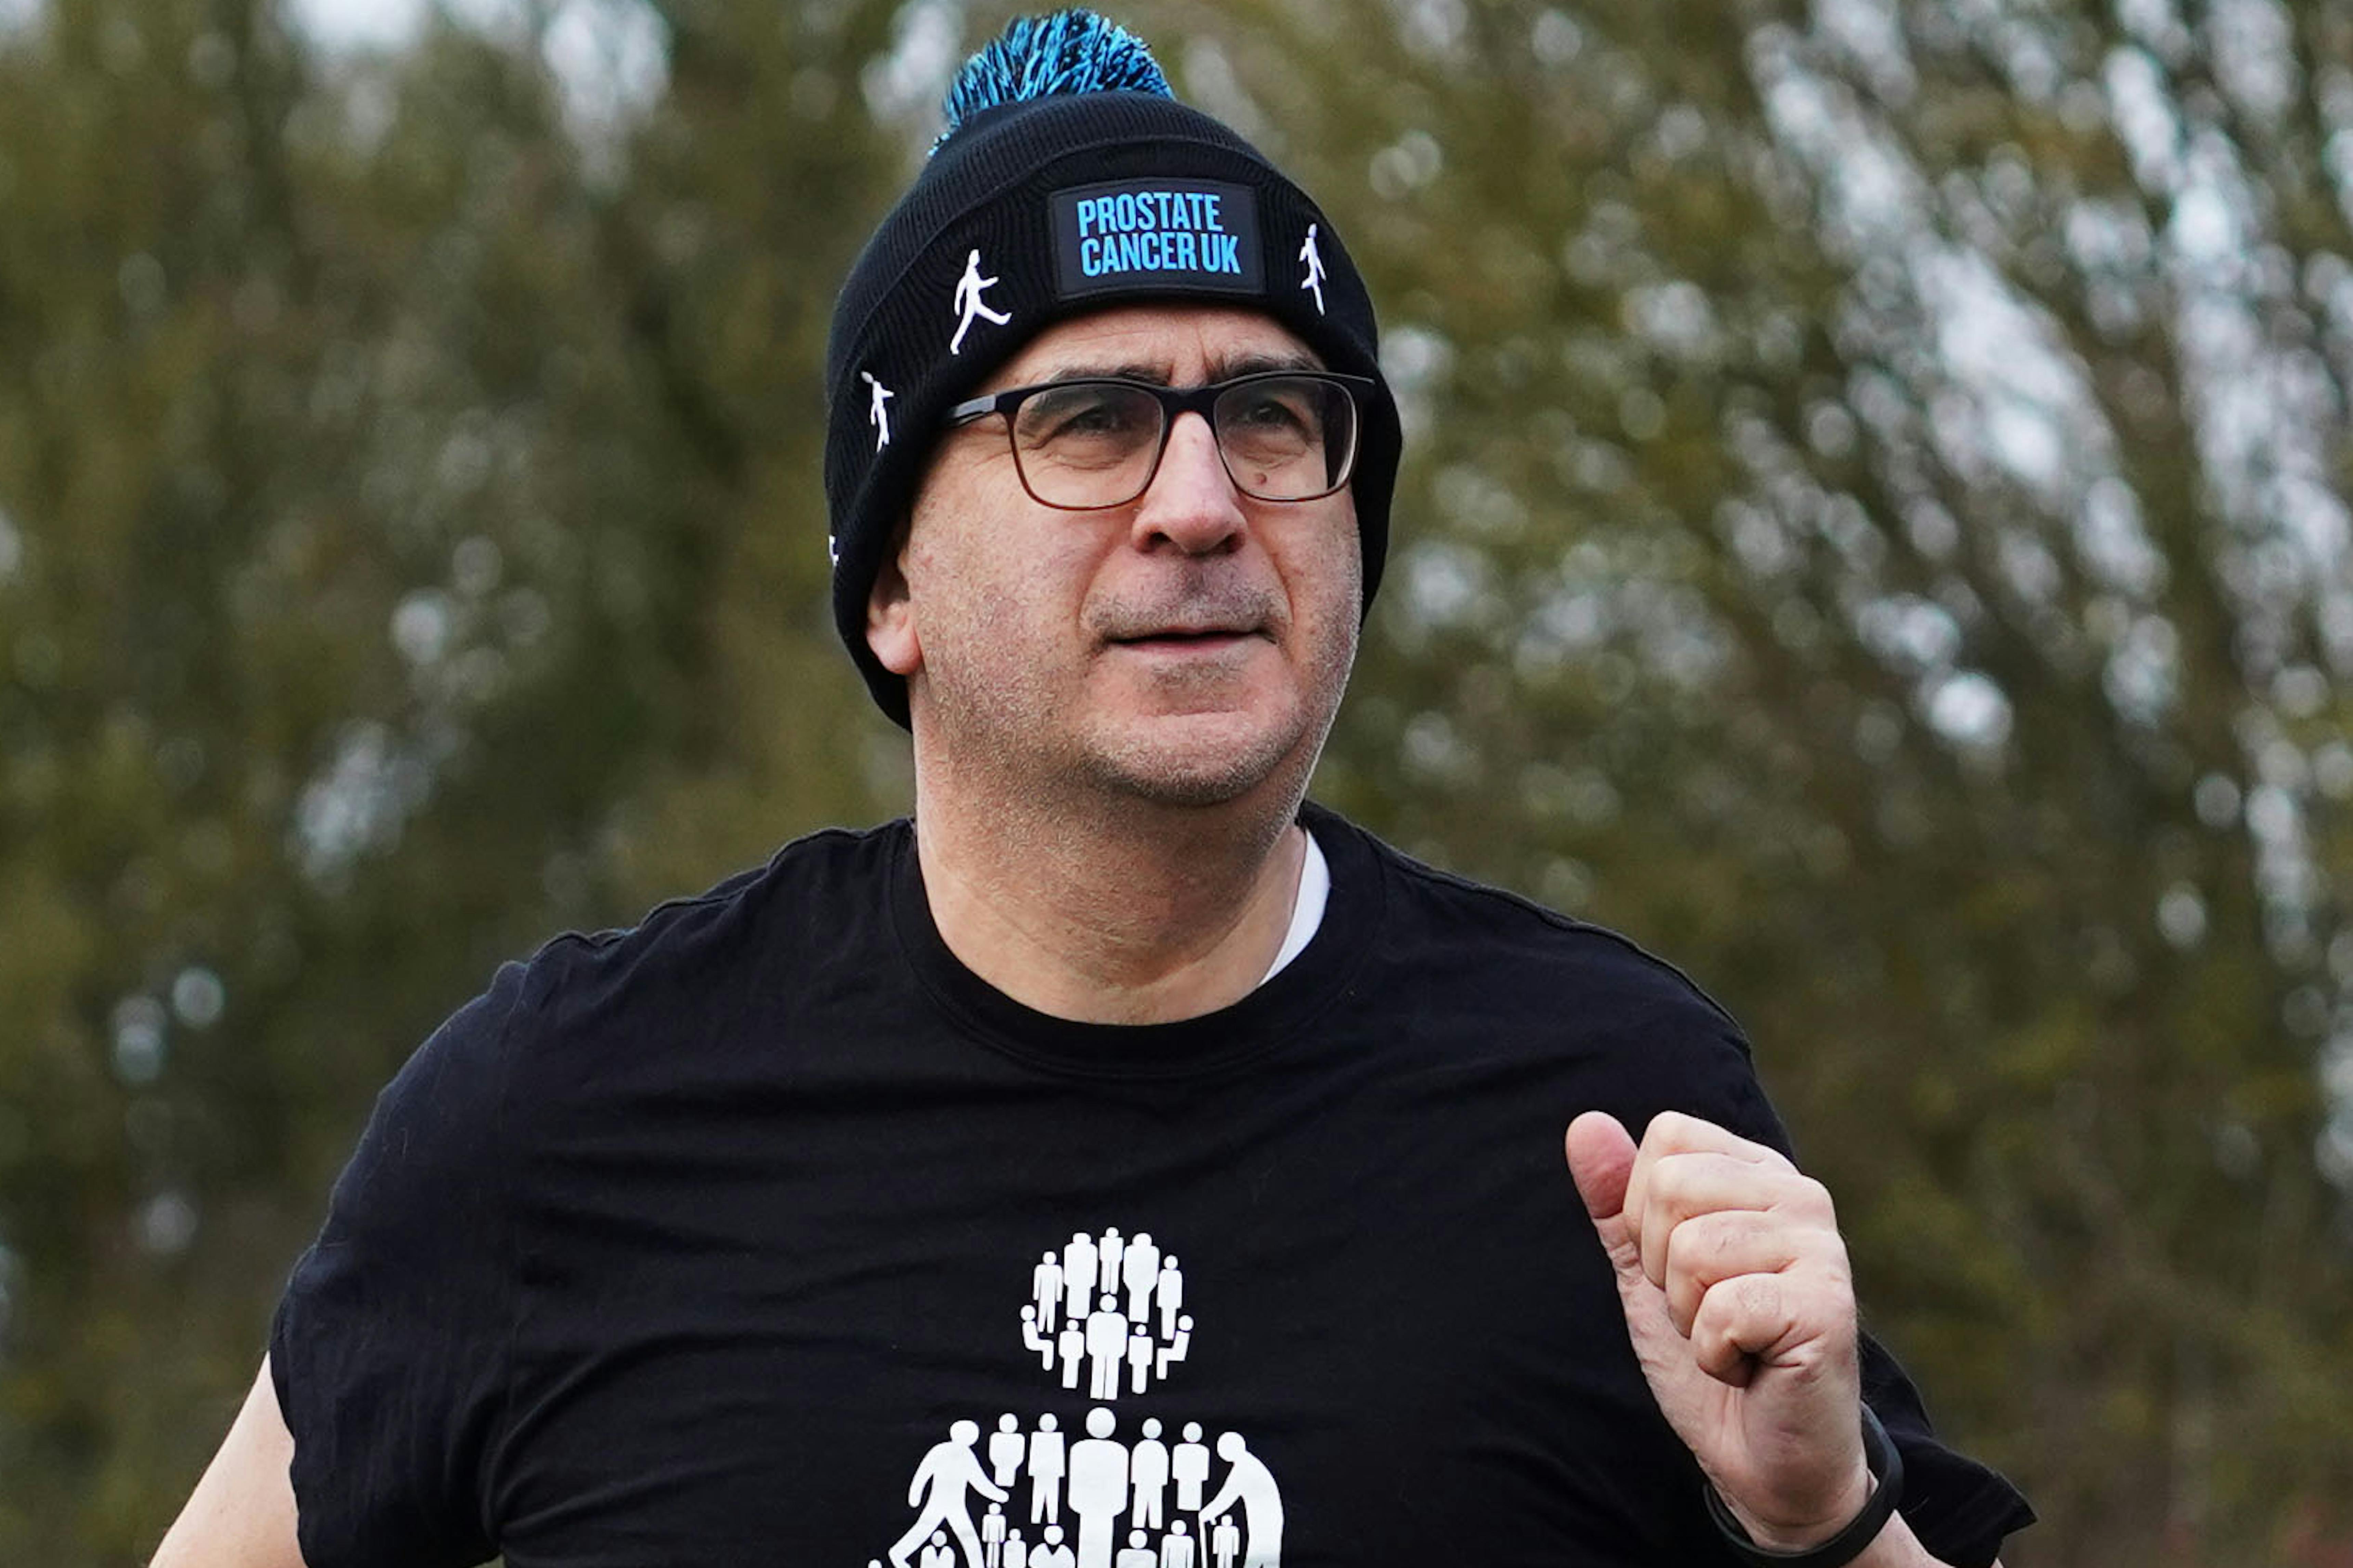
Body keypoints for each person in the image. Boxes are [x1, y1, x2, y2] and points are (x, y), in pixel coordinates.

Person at [152, 10, 2032, 1568]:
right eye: (1090, 422)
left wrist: (1826, 1526)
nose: (1203, 503)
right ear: (888, 583)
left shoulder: (1610, 1125)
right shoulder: (564, 1113)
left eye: (1275, 420)